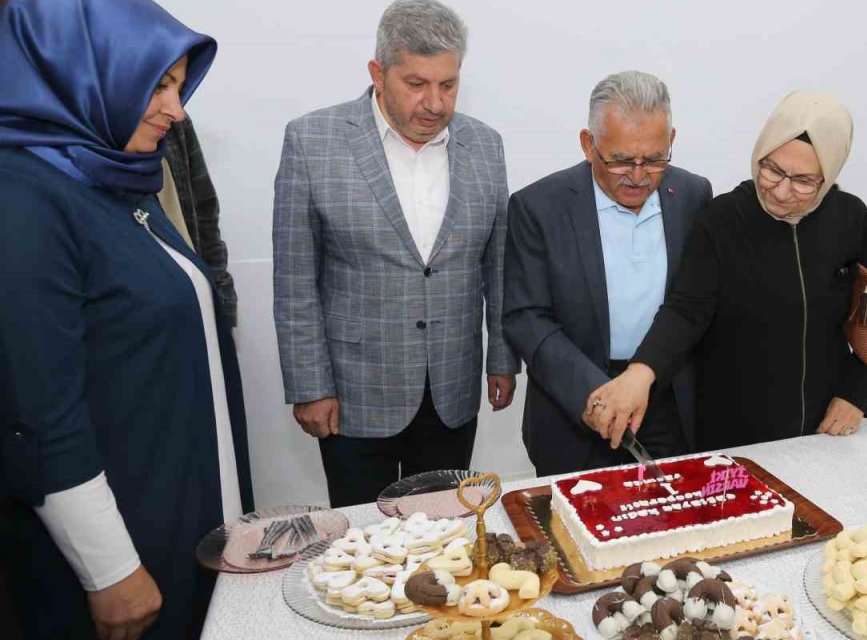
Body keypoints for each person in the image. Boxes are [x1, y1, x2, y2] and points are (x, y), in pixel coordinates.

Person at [0, 1, 254, 638]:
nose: (178, 109)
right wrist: (108, 570)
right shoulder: (22, 198)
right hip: (122, 550)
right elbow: (37, 411)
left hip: (179, 508)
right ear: (76, 74)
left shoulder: (112, 177)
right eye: (159, 85)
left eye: (177, 84)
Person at [273, 0, 518, 508]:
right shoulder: (311, 141)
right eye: (416, 83)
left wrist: (502, 358)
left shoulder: (485, 145)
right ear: (377, 73)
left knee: (443, 539)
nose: (434, 102)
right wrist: (309, 385)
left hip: (452, 387)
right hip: (354, 395)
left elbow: (496, 266)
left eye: (448, 85)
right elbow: (296, 279)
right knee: (365, 547)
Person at [585, 91, 867, 450]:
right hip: (734, 432)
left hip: (825, 427)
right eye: (772, 169)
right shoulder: (722, 219)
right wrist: (640, 373)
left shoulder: (850, 219)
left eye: (804, 181)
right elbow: (687, 310)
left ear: (828, 175)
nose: (781, 191)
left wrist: (855, 394)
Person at [504, 72, 712, 475]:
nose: (637, 176)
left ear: (671, 142)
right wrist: (595, 394)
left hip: (668, 402)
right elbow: (526, 316)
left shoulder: (693, 195)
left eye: (654, 159)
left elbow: (695, 302)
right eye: (619, 161)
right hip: (575, 409)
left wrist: (644, 377)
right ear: (588, 144)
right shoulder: (539, 207)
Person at [161, 117, 240, 326]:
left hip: (194, 305)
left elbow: (205, 211)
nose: (176, 109)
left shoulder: (175, 123)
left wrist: (222, 301)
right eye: (161, 87)